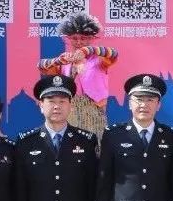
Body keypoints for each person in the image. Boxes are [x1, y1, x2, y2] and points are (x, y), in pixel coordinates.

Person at [38, 11, 118, 140]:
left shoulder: (99, 60)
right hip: (70, 113)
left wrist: (87, 50)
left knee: (97, 146)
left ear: (91, 38)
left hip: (95, 114)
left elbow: (113, 54)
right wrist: (58, 60)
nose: (79, 42)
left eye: (84, 38)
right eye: (74, 38)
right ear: (68, 39)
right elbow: (41, 66)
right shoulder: (65, 62)